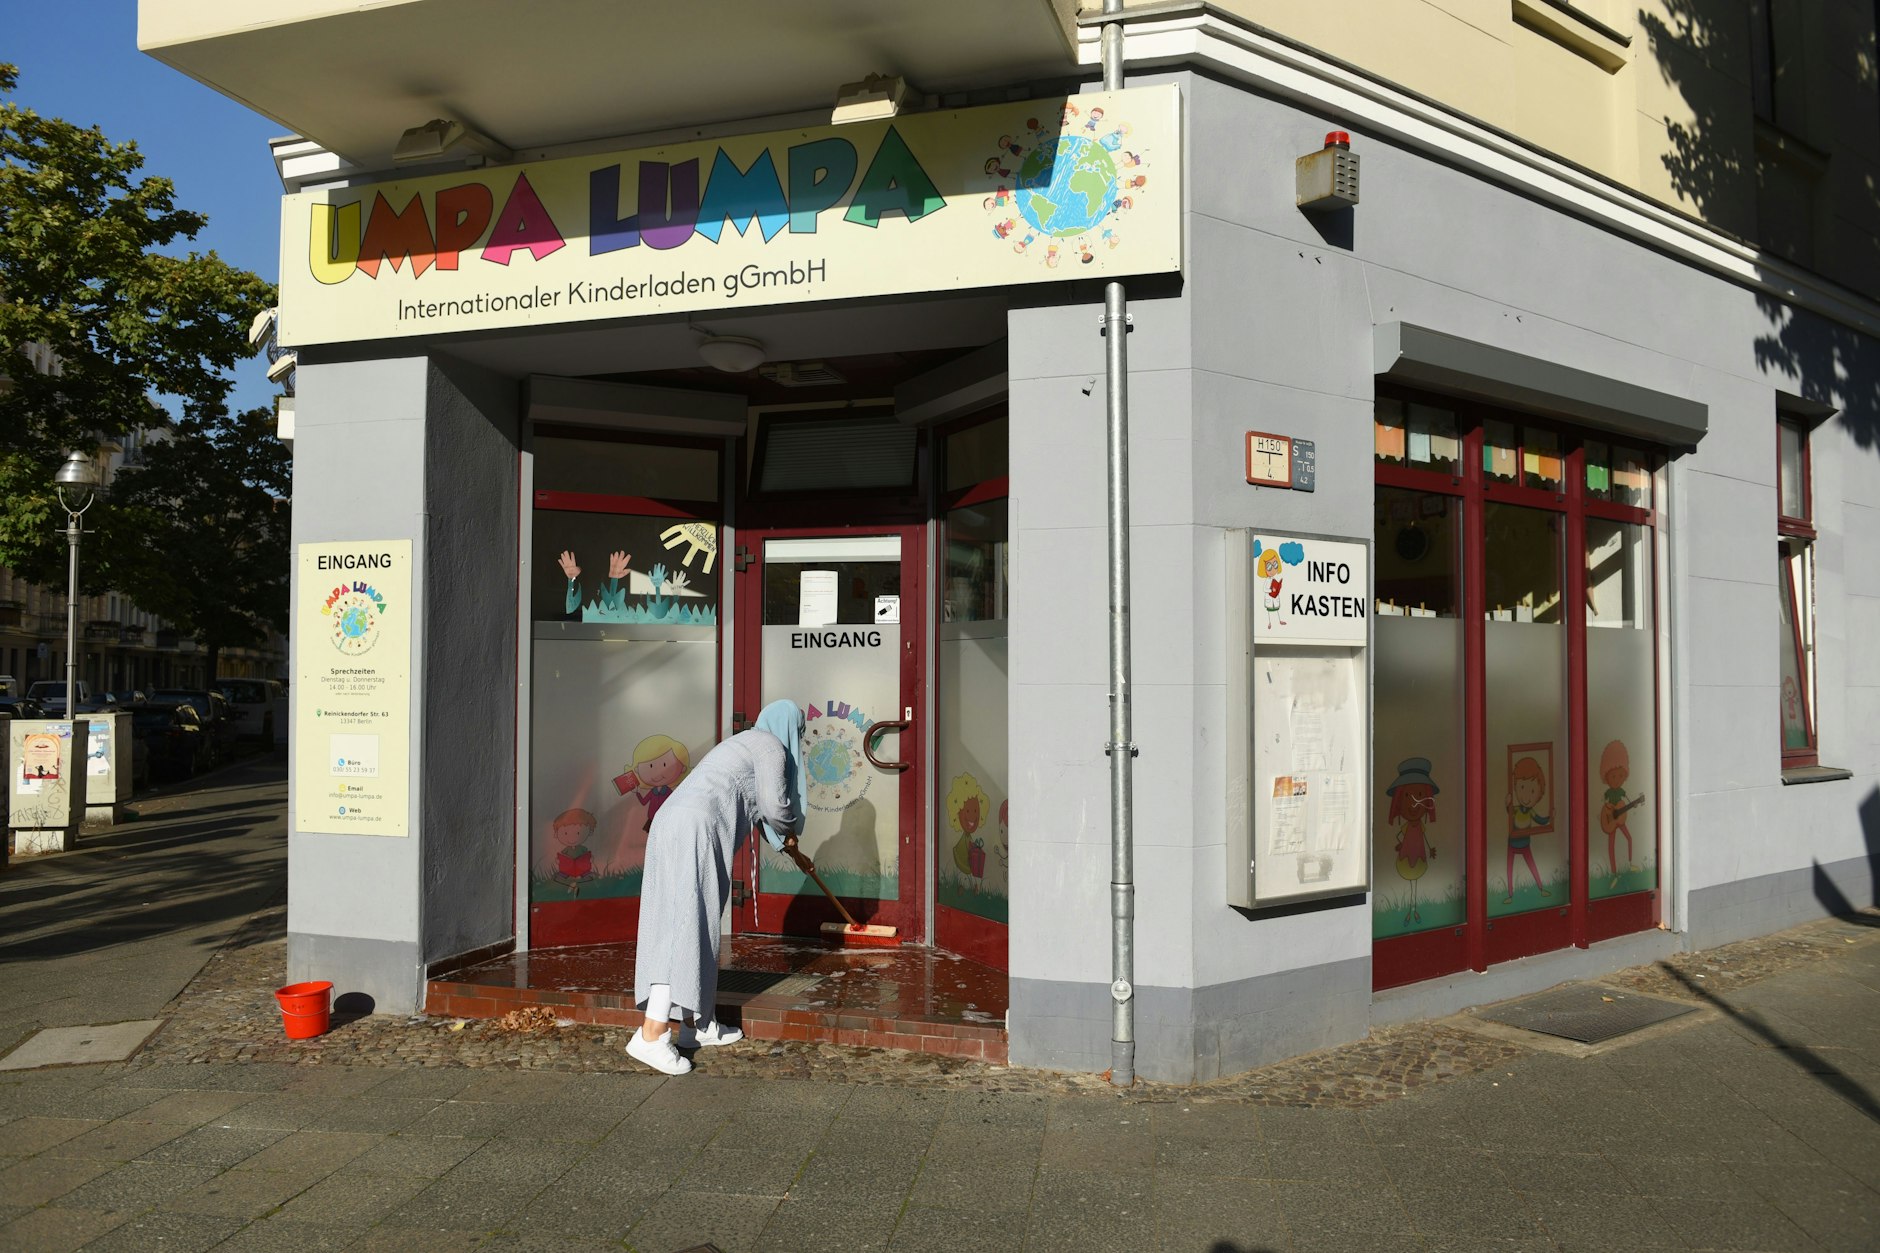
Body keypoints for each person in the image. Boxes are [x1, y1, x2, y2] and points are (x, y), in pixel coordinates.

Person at [627, 699, 805, 1076]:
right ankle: (651, 1034)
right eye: (799, 733)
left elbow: (753, 805)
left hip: (671, 823)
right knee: (686, 925)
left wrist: (780, 838)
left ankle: (697, 1025)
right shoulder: (771, 746)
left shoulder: (741, 743)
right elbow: (775, 808)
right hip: (697, 828)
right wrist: (790, 830)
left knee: (681, 922)